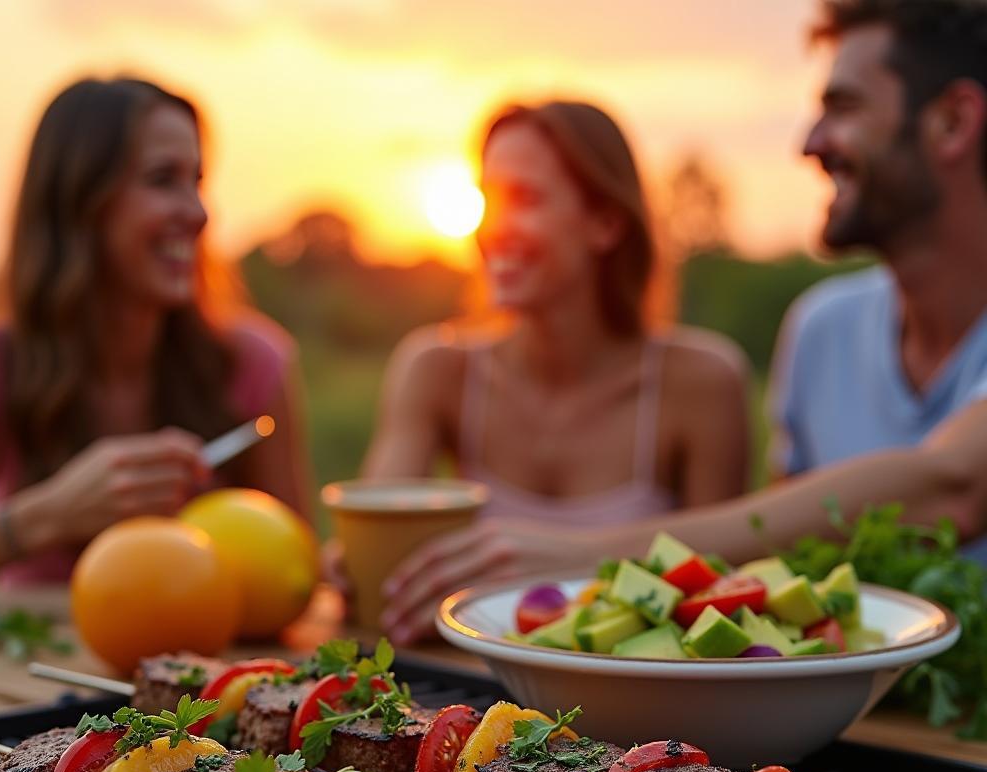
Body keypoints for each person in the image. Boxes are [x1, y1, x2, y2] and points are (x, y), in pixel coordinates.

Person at [380, 0, 987, 644]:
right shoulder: (821, 330)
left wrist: (593, 556)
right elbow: (785, 575)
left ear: (952, 122)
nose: (808, 143)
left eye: (844, 107)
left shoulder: (701, 376)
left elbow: (954, 485)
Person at [358, 100, 751, 628]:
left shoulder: (701, 383)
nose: (492, 228)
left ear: (605, 223)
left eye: (524, 199)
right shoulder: (434, 370)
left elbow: (720, 596)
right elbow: (379, 547)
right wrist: (360, 570)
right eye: (485, 197)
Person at [0, 77, 312, 585]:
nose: (197, 213)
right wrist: (49, 514)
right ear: (79, 202)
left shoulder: (254, 361)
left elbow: (295, 580)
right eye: (161, 179)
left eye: (196, 180)